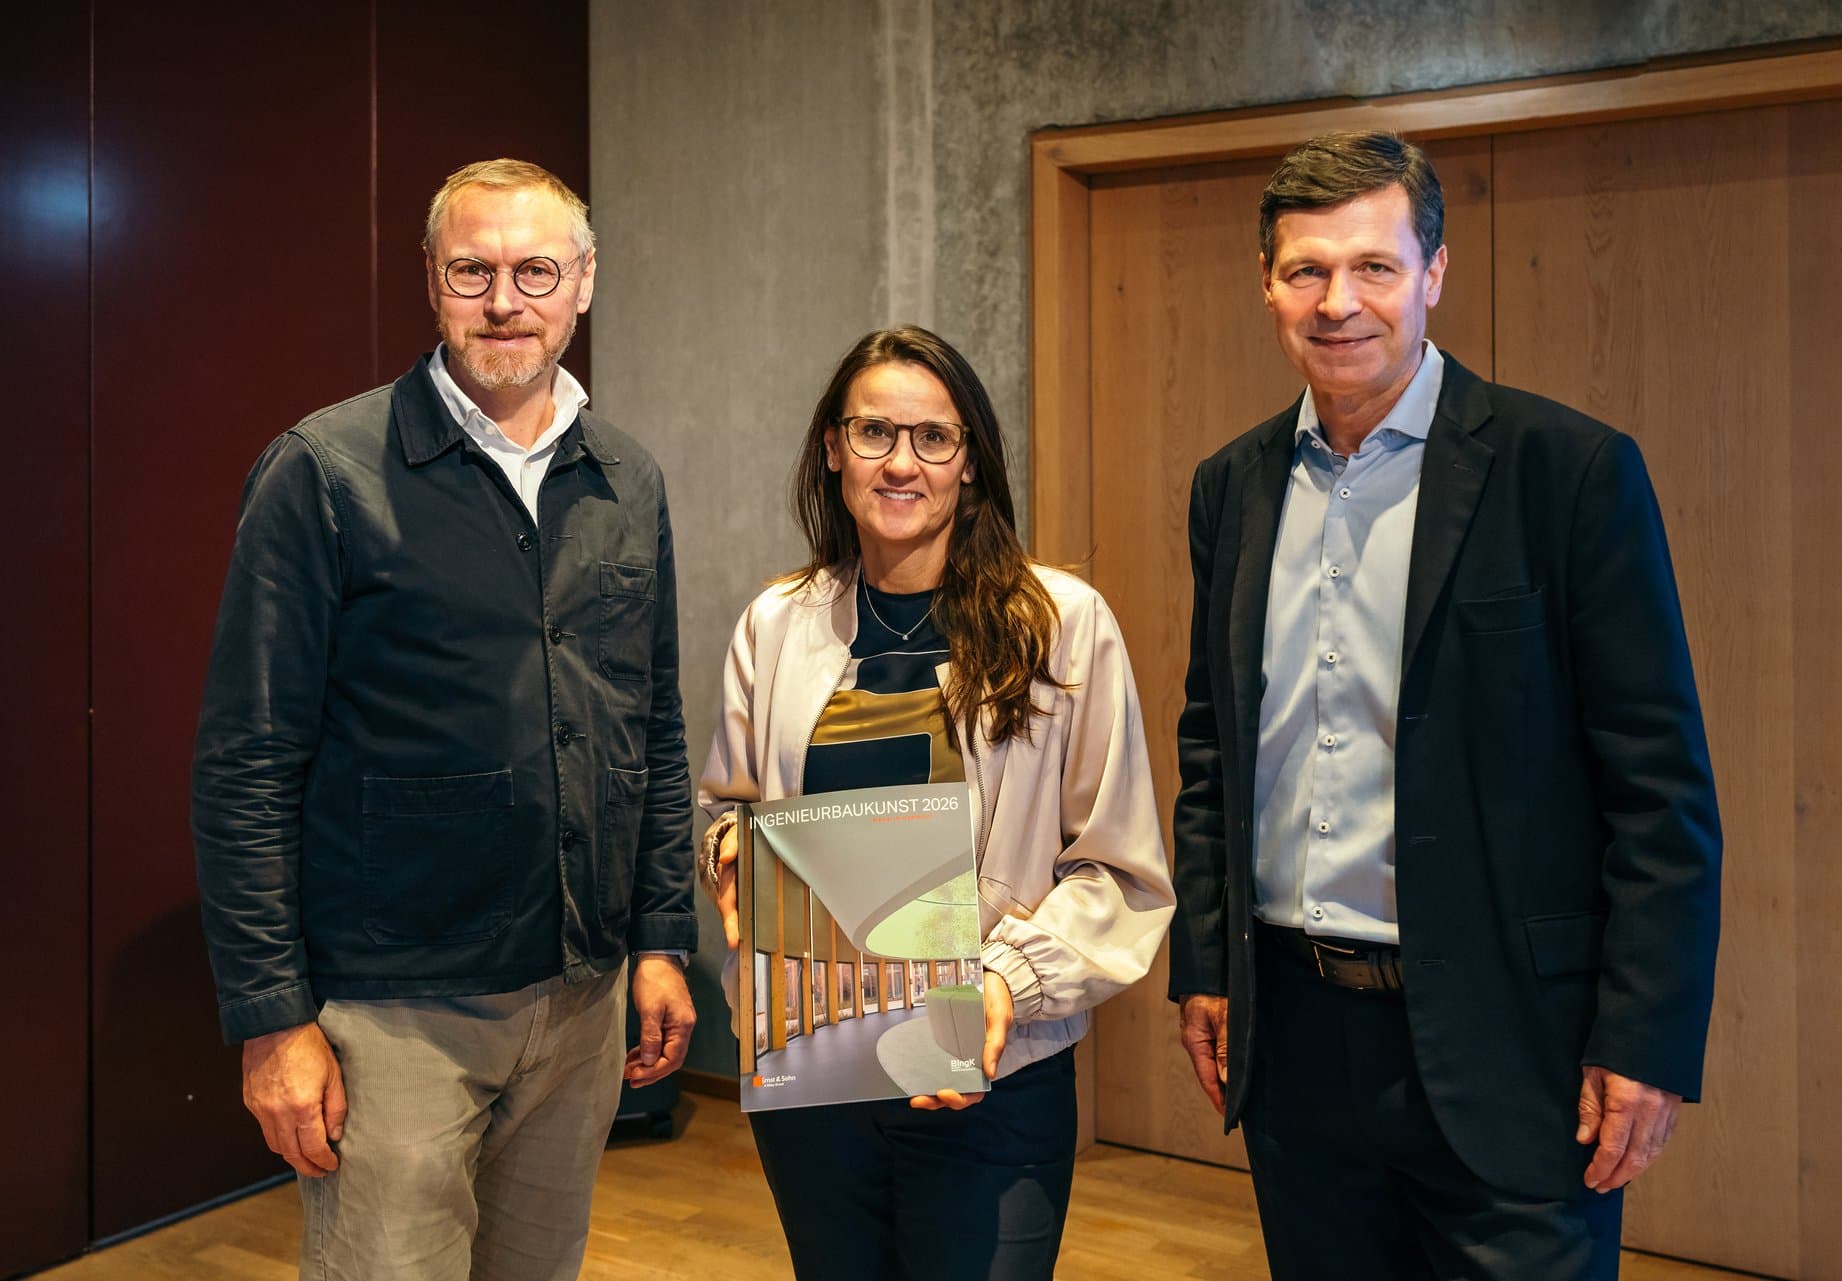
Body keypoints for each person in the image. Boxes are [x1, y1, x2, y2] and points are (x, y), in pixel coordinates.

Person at [1168, 131, 1721, 1281]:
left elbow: (1658, 788)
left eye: (1374, 266)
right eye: (1307, 270)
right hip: (1298, 1044)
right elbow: (1214, 747)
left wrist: (1645, 1036)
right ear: (1267, 283)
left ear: (1434, 273)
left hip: (1514, 1047)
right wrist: (1207, 962)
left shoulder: (1566, 471)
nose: (1339, 302)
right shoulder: (1232, 487)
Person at [191, 158, 695, 1281]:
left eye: (535, 271)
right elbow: (246, 763)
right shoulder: (325, 472)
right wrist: (272, 1019)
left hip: (581, 998)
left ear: (585, 280)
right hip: (396, 1015)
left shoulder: (627, 478)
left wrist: (663, 940)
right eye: (473, 271)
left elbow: (652, 727)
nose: (505, 300)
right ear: (431, 278)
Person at [697, 325, 1174, 1280]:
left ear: (971, 460)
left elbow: (1116, 870)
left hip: (990, 1072)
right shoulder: (776, 623)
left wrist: (1006, 984)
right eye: (874, 432)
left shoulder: (1060, 625)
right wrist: (733, 852)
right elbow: (730, 806)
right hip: (812, 1070)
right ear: (833, 450)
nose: (902, 463)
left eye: (933, 437)